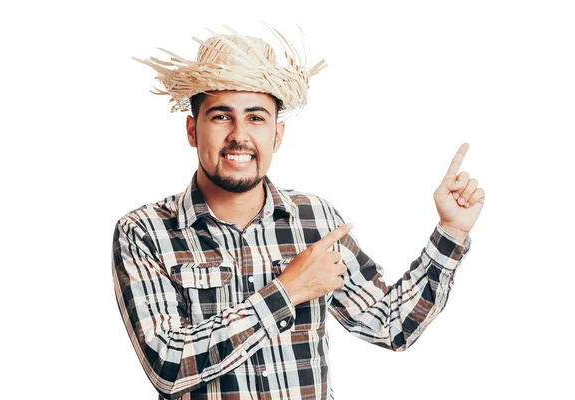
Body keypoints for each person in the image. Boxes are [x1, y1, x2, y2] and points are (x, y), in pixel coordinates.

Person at [112, 23, 485, 400]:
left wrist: (451, 232)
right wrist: (287, 291)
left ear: (277, 134)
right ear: (193, 130)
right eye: (221, 116)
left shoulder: (316, 220)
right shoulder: (144, 231)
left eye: (256, 117)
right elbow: (168, 365)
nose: (239, 135)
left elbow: (391, 325)